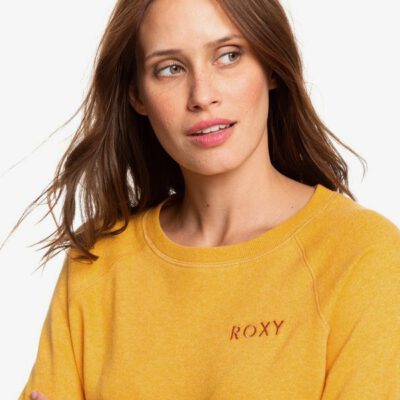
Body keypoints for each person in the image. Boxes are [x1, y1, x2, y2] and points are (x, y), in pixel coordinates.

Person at [16, 0, 399, 399]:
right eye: (170, 68)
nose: (202, 95)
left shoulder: (361, 254)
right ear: (137, 94)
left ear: (270, 65)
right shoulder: (96, 260)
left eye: (228, 56)